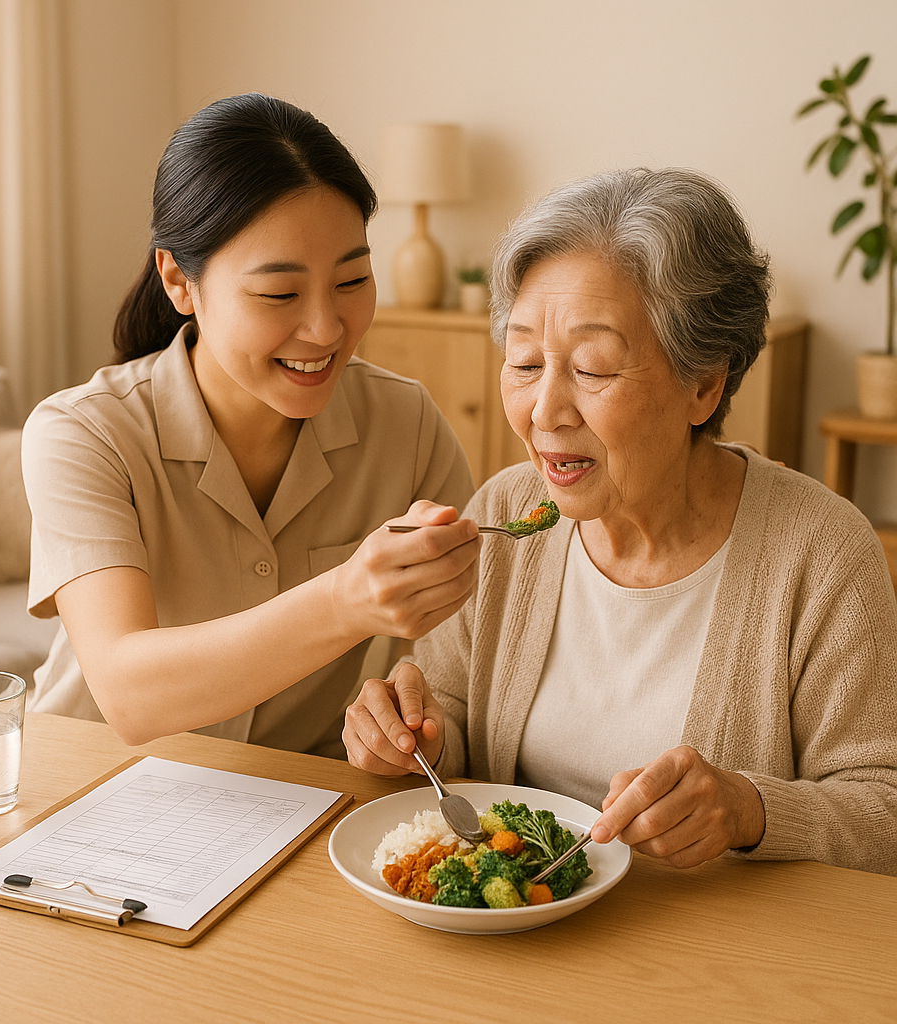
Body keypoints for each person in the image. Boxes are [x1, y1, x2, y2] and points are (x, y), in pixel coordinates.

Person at [343, 167, 897, 875]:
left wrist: (748, 810)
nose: (544, 411)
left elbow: (884, 812)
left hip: (719, 961)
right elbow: (447, 713)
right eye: (522, 362)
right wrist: (408, 734)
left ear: (704, 384)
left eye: (594, 369)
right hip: (517, 934)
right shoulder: (506, 516)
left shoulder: (820, 551)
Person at [21, 93, 481, 754]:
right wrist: (344, 601)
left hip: (298, 810)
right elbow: (129, 692)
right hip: (92, 793)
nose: (326, 329)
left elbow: (452, 677)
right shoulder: (83, 434)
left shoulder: (406, 426)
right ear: (179, 280)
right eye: (279, 294)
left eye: (352, 280)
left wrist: (415, 728)